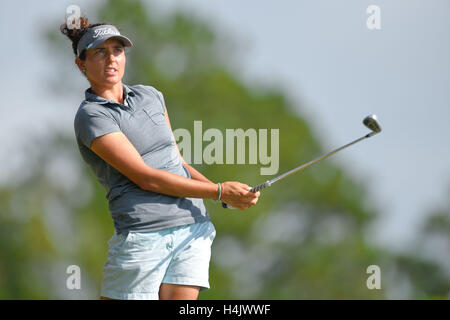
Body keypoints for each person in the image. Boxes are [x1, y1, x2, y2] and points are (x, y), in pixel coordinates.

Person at [60, 18, 260, 300]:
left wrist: (226, 195)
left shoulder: (150, 96)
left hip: (191, 227)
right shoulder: (91, 116)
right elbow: (146, 178)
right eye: (99, 52)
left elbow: (176, 161)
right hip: (142, 237)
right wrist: (217, 191)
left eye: (117, 50)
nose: (111, 59)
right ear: (82, 64)